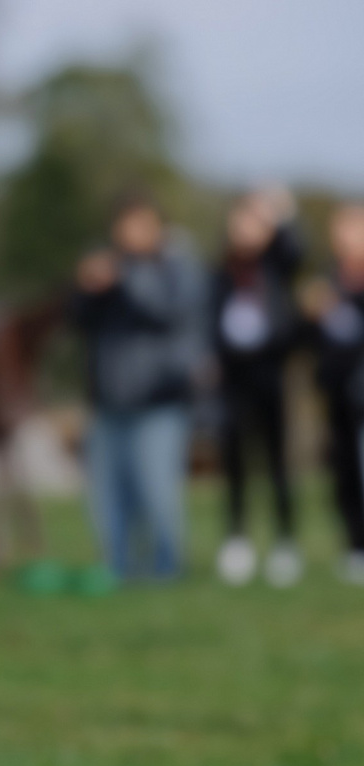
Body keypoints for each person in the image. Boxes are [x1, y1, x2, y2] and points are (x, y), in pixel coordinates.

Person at [70, 194, 206, 585]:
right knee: (110, 498)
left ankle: (166, 570)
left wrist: (125, 279)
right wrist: (87, 288)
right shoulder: (105, 269)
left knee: (157, 491)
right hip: (108, 402)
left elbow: (168, 311)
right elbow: (78, 319)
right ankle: (118, 570)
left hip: (158, 400)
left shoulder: (175, 267)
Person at [209, 187, 306, 587]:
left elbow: (296, 249)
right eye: (240, 222)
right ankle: (237, 540)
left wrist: (280, 215)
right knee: (234, 462)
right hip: (233, 378)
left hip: (270, 373)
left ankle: (285, 542)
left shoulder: (276, 264)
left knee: (277, 462)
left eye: (254, 223)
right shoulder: (222, 270)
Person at [307, 201, 364, 587]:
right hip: (338, 392)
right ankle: (356, 546)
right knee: (345, 472)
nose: (344, 236)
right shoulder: (328, 279)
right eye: (339, 228)